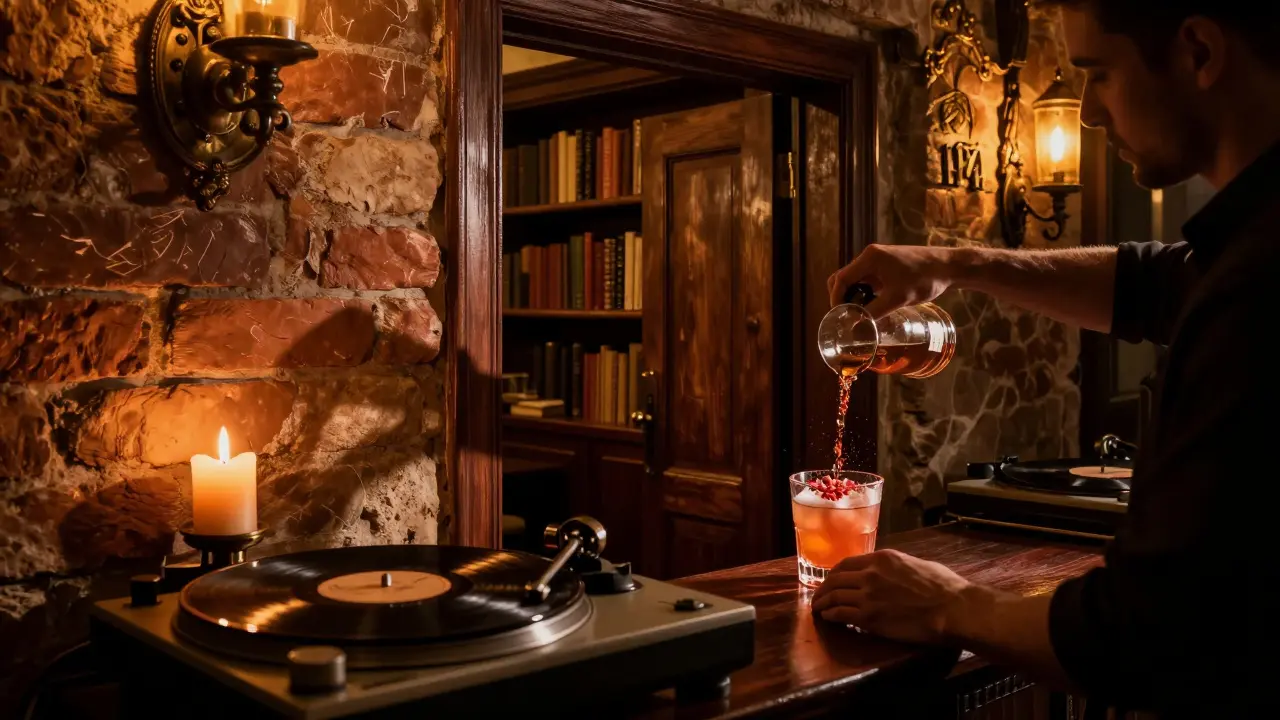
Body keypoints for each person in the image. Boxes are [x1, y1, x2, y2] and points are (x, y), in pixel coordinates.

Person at [813, 0, 1280, 717]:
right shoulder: (1245, 243)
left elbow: (1142, 636)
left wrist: (951, 603)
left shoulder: (1259, 281)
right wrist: (954, 260)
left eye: (1099, 73)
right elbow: (1148, 282)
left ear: (1199, 53)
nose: (1090, 112)